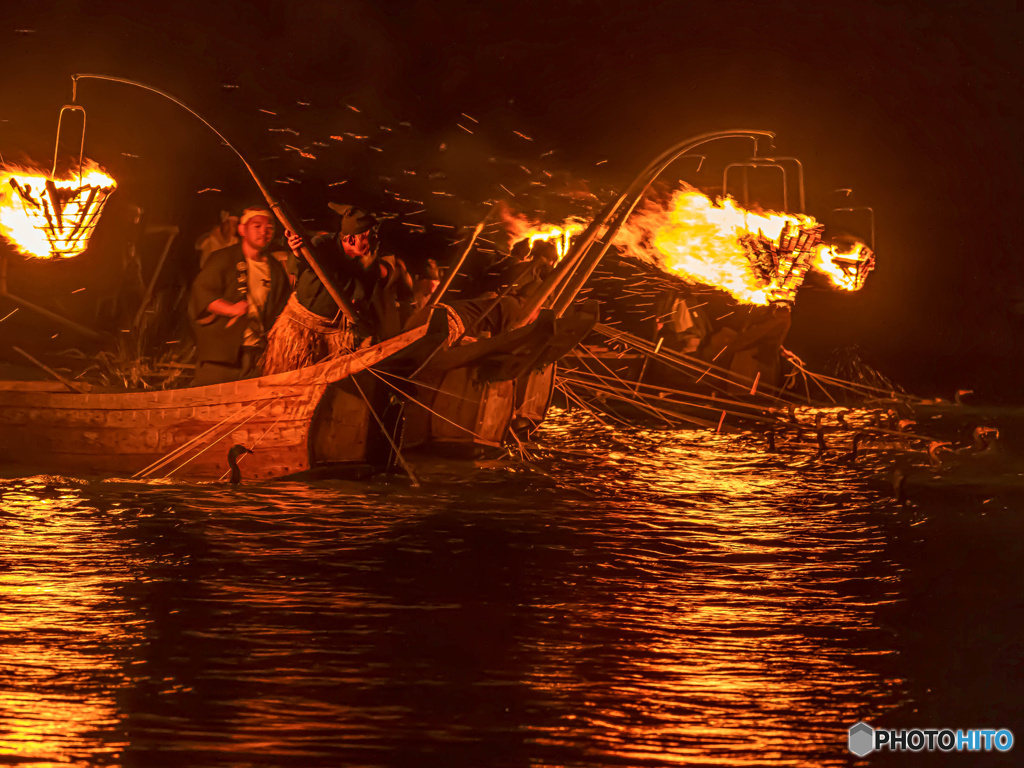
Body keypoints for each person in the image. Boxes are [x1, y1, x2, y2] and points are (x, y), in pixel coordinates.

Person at [262, 203, 412, 374]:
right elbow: (296, 267)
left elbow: (364, 296)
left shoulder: (369, 262)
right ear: (351, 239)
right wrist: (297, 252)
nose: (374, 243)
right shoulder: (321, 245)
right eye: (369, 238)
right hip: (301, 328)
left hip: (335, 335)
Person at [189, 206, 291, 386]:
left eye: (269, 228)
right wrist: (230, 309)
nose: (264, 232)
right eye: (257, 226)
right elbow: (201, 293)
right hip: (221, 357)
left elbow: (283, 307)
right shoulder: (222, 258)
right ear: (242, 229)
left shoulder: (275, 269)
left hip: (256, 355)